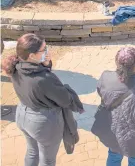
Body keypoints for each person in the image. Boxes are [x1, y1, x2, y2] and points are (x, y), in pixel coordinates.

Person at [1, 34, 83, 166]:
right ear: (32, 55)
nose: (47, 51)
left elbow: (37, 76)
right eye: (43, 49)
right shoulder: (44, 79)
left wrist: (45, 63)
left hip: (23, 115)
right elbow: (66, 100)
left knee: (32, 152)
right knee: (48, 160)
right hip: (43, 124)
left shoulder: (15, 66)